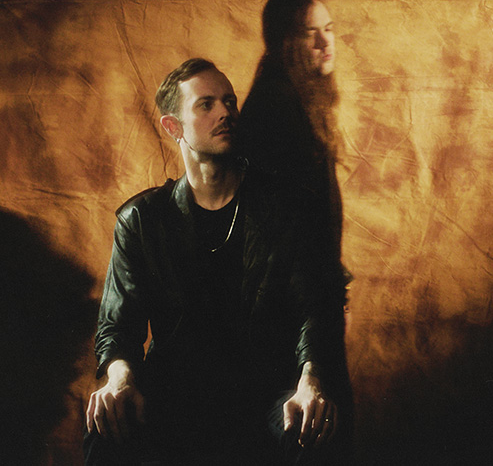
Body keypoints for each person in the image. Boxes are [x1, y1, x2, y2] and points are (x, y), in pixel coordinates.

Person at [83, 58, 350, 464]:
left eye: (229, 101)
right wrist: (119, 379)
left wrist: (310, 381)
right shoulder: (142, 220)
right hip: (175, 395)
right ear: (173, 127)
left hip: (265, 392)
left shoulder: (287, 208)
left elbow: (315, 309)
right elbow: (118, 326)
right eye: (206, 104)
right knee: (107, 425)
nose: (225, 112)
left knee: (312, 429)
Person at [238, 0, 344, 265]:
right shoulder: (276, 104)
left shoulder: (298, 95)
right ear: (285, 41)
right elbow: (284, 224)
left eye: (329, 29)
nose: (325, 42)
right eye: (310, 33)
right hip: (291, 283)